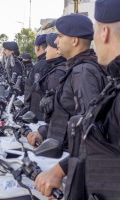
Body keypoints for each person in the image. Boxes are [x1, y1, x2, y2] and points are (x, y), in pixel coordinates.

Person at [34, 12, 111, 199]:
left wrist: (62, 169)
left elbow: (90, 130)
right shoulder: (77, 68)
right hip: (65, 155)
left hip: (72, 162)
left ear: (74, 40)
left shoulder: (83, 72)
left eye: (60, 36)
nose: (56, 42)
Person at [25, 33, 67, 122]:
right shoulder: (57, 66)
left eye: (49, 46)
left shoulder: (57, 71)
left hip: (41, 119)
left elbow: (37, 94)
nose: (46, 49)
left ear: (57, 49)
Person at [24, 34, 48, 108]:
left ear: (37, 47)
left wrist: (27, 107)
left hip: (38, 111)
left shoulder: (39, 65)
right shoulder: (54, 62)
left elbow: (34, 91)